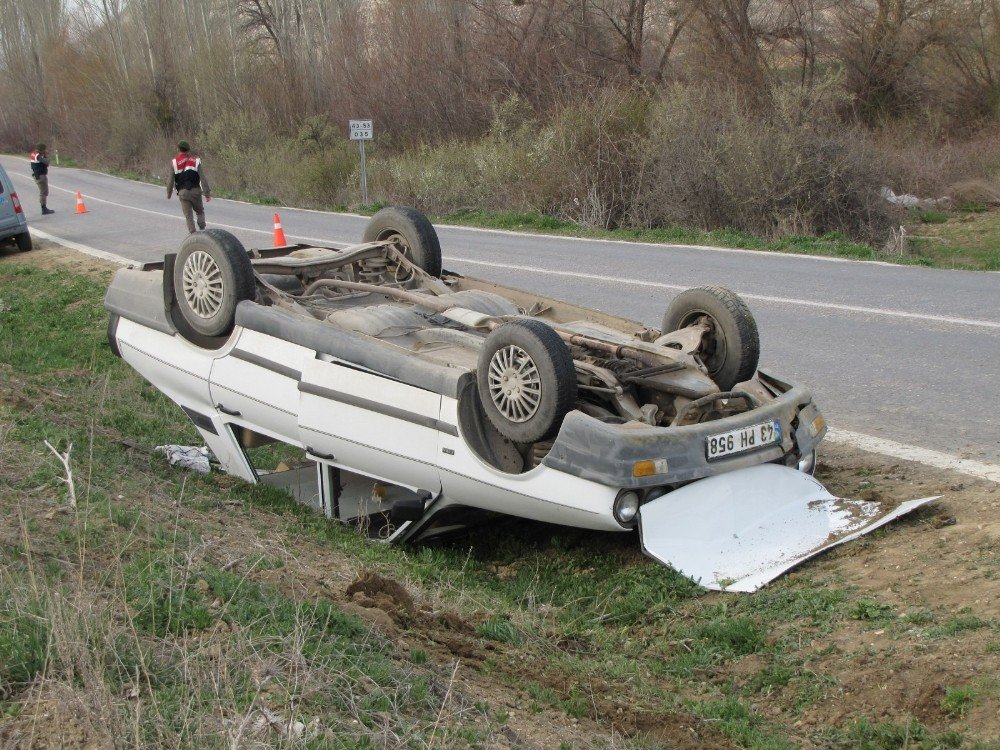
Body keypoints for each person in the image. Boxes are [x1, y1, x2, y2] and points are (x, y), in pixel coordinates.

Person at [167, 140, 212, 233]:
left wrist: (169, 193)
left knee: (188, 215)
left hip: (183, 193)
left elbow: (170, 180)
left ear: (178, 149)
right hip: (196, 191)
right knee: (200, 211)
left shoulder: (174, 162)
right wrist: (207, 193)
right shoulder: (196, 161)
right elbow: (203, 178)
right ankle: (202, 229)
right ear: (188, 150)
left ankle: (193, 233)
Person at [29, 143, 54, 215]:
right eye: (44, 149)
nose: (45, 150)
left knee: (43, 192)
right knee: (44, 192)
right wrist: (46, 156)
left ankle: (44, 208)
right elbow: (47, 161)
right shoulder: (38, 156)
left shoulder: (34, 153)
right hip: (40, 176)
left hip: (37, 175)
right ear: (42, 149)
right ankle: (44, 209)